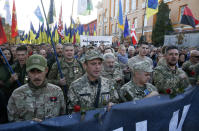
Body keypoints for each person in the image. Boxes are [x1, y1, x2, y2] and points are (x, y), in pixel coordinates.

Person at [7, 54, 66, 122]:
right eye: (32, 72)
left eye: (39, 71)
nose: (36, 76)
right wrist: (29, 124)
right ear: (27, 72)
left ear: (46, 70)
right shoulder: (17, 94)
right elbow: (12, 120)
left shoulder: (56, 91)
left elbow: (63, 118)